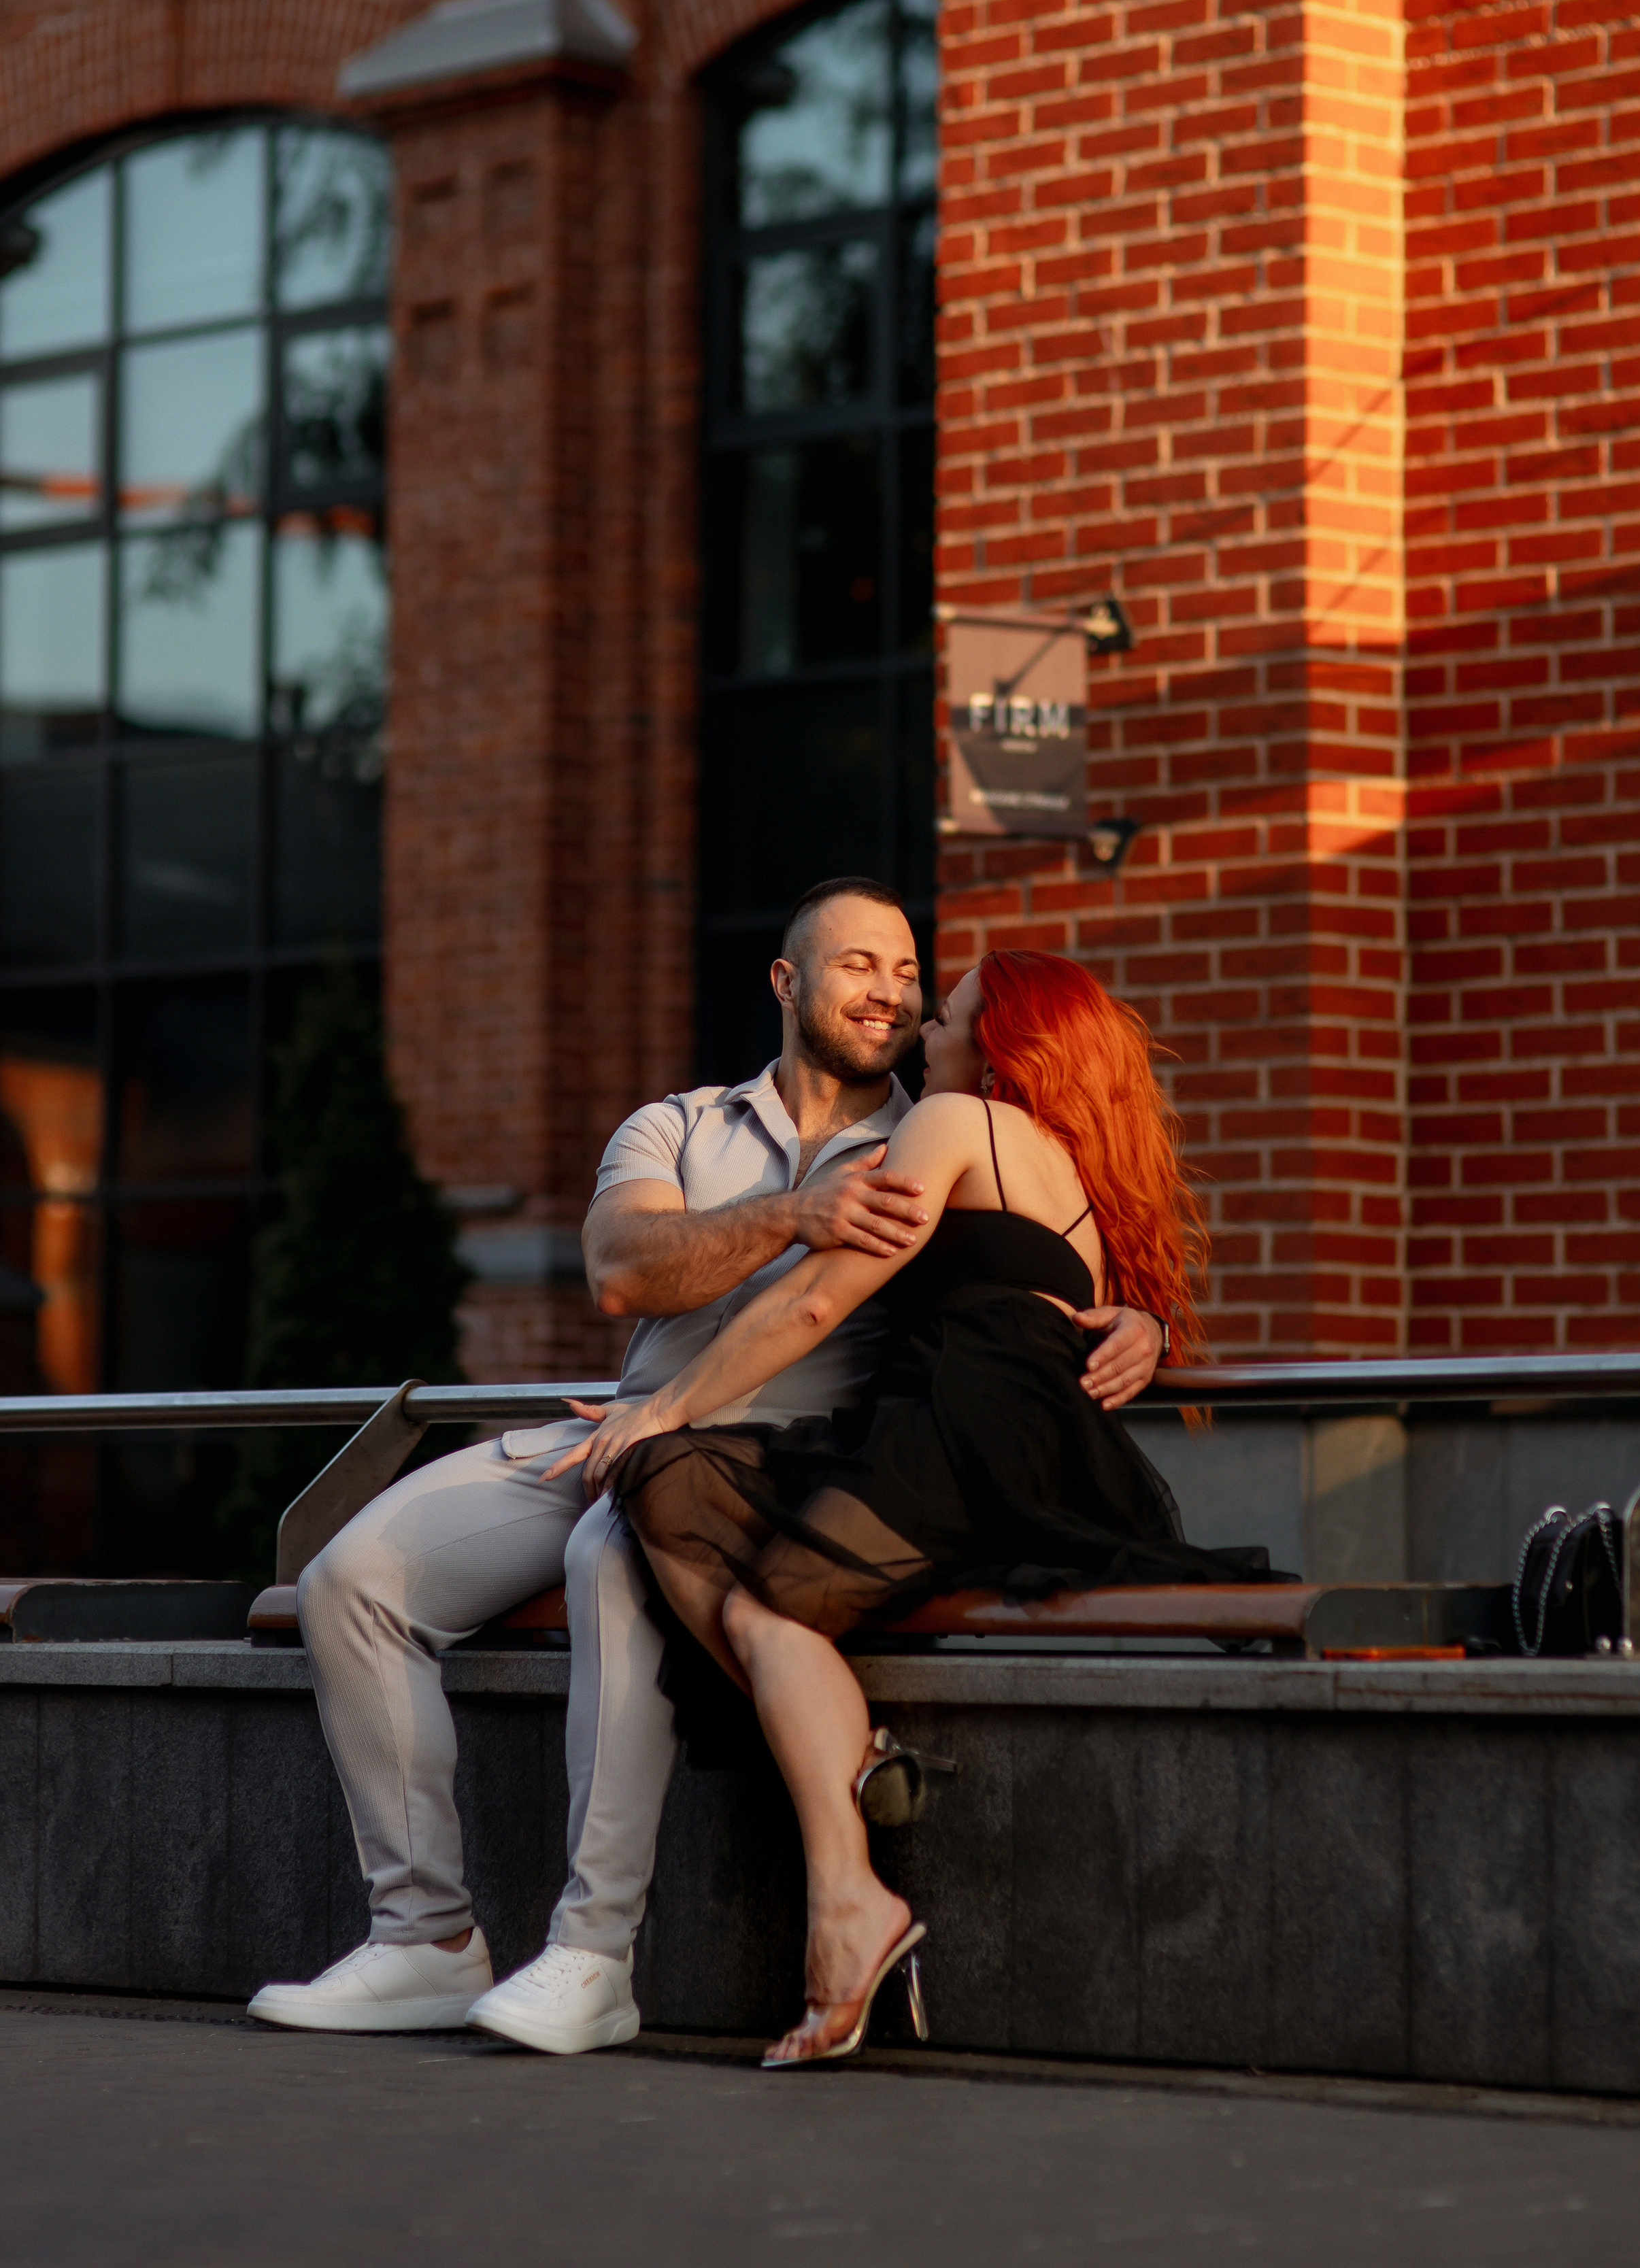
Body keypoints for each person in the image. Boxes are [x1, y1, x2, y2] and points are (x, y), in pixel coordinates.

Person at [246, 882, 1171, 2050]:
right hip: (632, 1419)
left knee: (612, 1545)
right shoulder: (678, 1125)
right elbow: (622, 1270)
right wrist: (794, 1212)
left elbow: (1031, 1264)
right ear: (787, 983)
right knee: (349, 1580)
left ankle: (592, 1954)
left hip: (801, 1455)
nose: (892, 993)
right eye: (859, 966)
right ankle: (423, 1938)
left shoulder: (945, 1117)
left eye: (909, 974)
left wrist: (1146, 1324)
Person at [540, 948, 1268, 2068]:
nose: (927, 1032)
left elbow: (825, 1294)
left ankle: (851, 1883)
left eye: (952, 1018)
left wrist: (661, 1404)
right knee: (746, 1583)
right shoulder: (1071, 1162)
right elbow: (1093, 1314)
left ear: (1000, 1047)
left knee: (711, 1533)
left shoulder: (953, 1125)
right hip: (1014, 1436)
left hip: (963, 1427)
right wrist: (1151, 1328)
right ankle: (849, 1832)